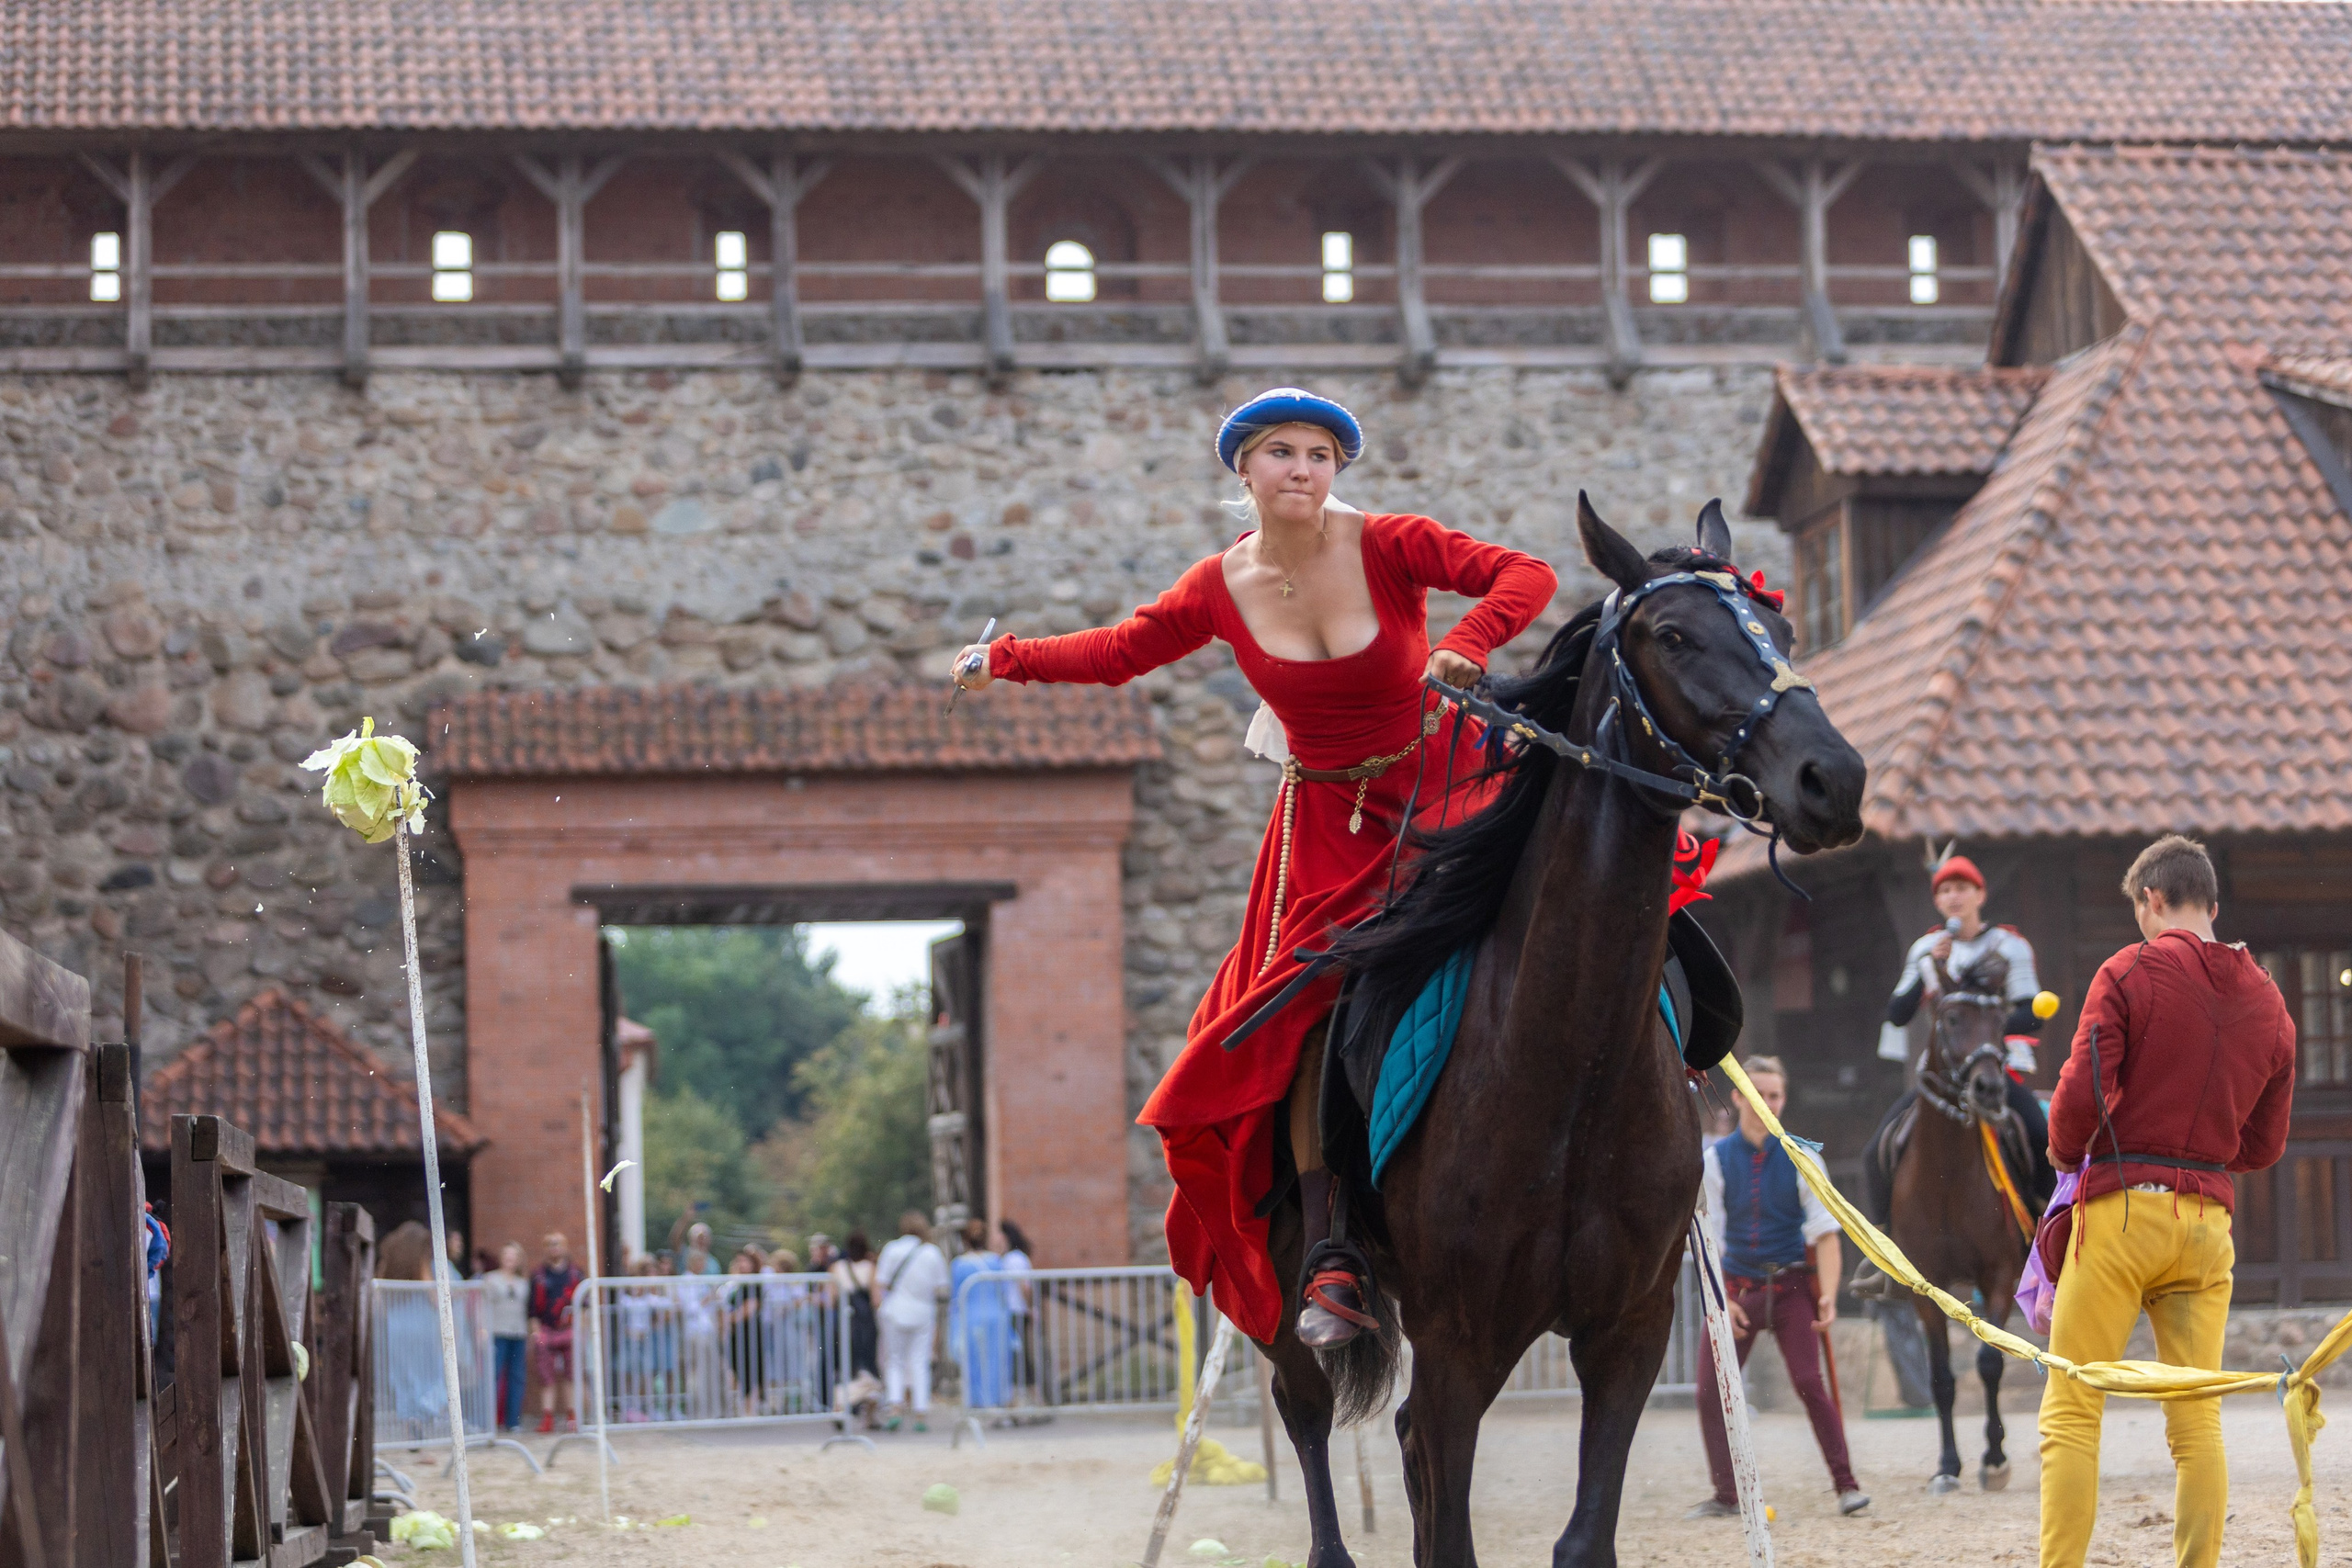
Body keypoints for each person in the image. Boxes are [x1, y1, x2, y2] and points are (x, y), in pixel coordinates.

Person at [951, 388, 1555, 1348]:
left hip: (1442, 789)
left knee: (1571, 907)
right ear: (1245, 471)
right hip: (1326, 825)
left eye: (1320, 454)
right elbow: (1117, 652)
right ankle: (1330, 1254)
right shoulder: (1216, 587)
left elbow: (1524, 573)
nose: (1304, 470)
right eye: (1283, 452)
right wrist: (1008, 659)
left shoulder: (1393, 543)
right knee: (1286, 1020)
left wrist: (1464, 643)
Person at [2037, 835, 2295, 1568]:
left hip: (2123, 1216)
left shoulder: (2130, 969)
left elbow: (2082, 1091)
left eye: (2141, 911)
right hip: (2208, 1225)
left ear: (2152, 898)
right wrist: (2210, 1160)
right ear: (2211, 905)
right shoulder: (2273, 1004)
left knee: (2073, 1411)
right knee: (2196, 1423)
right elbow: (2265, 1145)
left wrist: (2063, 1148)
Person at [1688, 1056, 1868, 1520]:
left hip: (1791, 1290)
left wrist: (1827, 1294)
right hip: (1737, 1291)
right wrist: (1720, 1298)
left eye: (1774, 1096)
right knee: (1710, 1390)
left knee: (1810, 1382)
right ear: (1738, 1097)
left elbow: (1826, 1234)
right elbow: (1709, 1237)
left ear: (1783, 1101)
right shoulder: (1714, 1160)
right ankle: (1727, 1495)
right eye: (1757, 1094)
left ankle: (1846, 1485)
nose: (1765, 1103)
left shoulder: (1804, 1157)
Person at [1859, 854, 2054, 1244]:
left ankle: (2048, 1231)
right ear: (1937, 902)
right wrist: (1929, 969)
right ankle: (1884, 1245)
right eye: (1945, 890)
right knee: (1873, 1153)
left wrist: (1983, 1032)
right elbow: (1897, 1014)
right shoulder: (1926, 950)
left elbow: (2033, 1015)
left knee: (2039, 1133)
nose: (1954, 897)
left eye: (1962, 888)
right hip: (1941, 1078)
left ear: (1980, 894)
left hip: (1994, 1073)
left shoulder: (2009, 946)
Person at [874, 1211, 951, 1430]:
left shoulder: (891, 1249)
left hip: (895, 1310)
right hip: (922, 1312)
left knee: (895, 1361)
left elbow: (882, 1282)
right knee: (919, 1362)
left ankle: (895, 1406)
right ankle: (920, 1411)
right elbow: (941, 1287)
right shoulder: (932, 1253)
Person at [949, 1217, 1010, 1411]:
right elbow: (1003, 1290)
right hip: (996, 1316)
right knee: (996, 1362)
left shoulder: (959, 1264)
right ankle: (996, 1401)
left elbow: (956, 1297)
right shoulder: (995, 1261)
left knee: (974, 1362)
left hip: (972, 1317)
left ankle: (977, 1402)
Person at [527, 1231, 583, 1434]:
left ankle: (572, 1416)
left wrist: (580, 1330)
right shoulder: (539, 1276)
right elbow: (532, 1309)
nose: (554, 1248)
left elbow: (584, 1306)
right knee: (546, 1376)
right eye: (550, 1244)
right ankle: (547, 1417)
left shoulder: (576, 1274)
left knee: (572, 1375)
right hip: (547, 1330)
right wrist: (536, 1333)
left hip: (569, 1330)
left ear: (566, 1246)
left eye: (558, 1243)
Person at [483, 1241, 530, 1432]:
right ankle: (488, 1419)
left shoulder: (523, 1283)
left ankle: (513, 1420)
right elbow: (482, 1305)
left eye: (514, 1257)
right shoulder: (490, 1279)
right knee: (493, 1374)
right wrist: (482, 1327)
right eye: (506, 1256)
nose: (510, 1260)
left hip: (518, 1332)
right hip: (497, 1331)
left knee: (517, 1376)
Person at [723, 1247, 769, 1416]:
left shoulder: (754, 1283)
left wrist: (729, 1318)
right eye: (739, 1261)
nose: (741, 1265)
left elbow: (749, 1308)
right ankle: (742, 1408)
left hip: (750, 1334)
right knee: (736, 1369)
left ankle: (750, 1411)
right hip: (737, 1334)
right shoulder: (737, 1284)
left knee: (751, 1370)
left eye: (745, 1261)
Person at [999, 1219, 1035, 1395]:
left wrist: (1029, 1307)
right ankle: (1027, 1393)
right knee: (1018, 1352)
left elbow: (1024, 1286)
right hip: (1015, 1310)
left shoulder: (1014, 1259)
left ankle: (1030, 1392)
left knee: (1018, 1353)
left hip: (1016, 1310)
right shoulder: (1015, 1258)